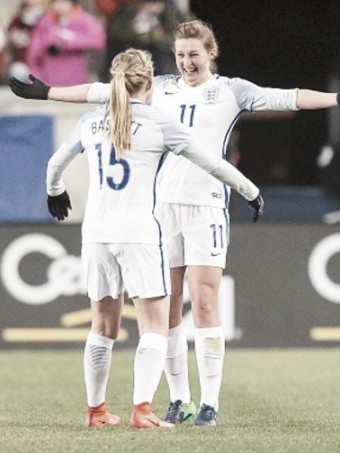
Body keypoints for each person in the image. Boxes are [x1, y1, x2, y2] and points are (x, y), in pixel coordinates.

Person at [10, 19, 340, 427]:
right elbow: (100, 91)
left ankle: (209, 404)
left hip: (205, 205)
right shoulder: (160, 87)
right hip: (161, 208)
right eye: (181, 54)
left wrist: (337, 99)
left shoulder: (230, 90)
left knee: (203, 302)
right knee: (166, 310)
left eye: (194, 55)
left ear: (211, 53)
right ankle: (178, 399)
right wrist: (45, 92)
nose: (186, 62)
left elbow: (286, 98)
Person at [46, 47, 263, 429]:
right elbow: (211, 162)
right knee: (154, 325)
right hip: (140, 233)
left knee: (102, 327)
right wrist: (249, 191)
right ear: (149, 83)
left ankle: (95, 411)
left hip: (95, 233)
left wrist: (55, 191)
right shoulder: (158, 123)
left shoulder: (92, 121)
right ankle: (142, 410)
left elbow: (54, 164)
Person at [25, 0, 106, 86]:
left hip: (74, 78)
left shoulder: (82, 19)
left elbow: (98, 40)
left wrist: (70, 41)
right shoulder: (46, 21)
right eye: (57, 2)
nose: (60, 6)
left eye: (64, 2)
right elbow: (34, 53)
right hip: (50, 77)